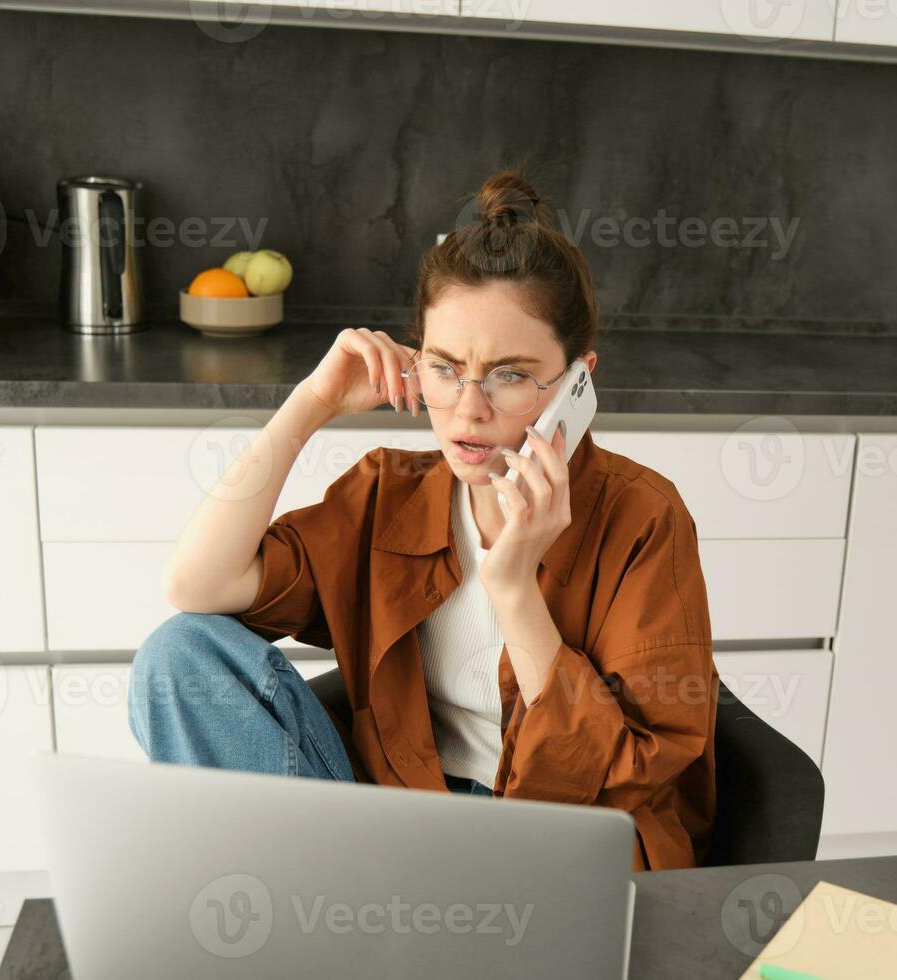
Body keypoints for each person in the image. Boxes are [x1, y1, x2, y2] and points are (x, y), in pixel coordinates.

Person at [129, 169, 719, 871]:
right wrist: (308, 406)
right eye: (445, 368)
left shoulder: (644, 517)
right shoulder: (388, 493)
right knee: (177, 655)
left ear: (578, 381)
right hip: (401, 834)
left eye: (510, 374)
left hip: (561, 848)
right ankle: (353, 914)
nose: (470, 410)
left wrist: (514, 590)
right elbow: (199, 585)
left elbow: (630, 774)